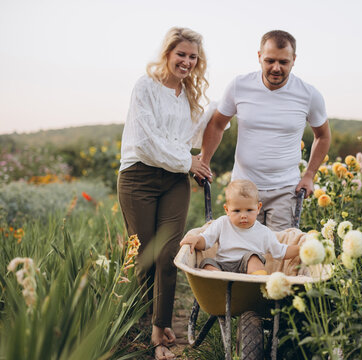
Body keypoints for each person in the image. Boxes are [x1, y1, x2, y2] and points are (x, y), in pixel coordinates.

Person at [117, 27, 213, 360]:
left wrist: (199, 161)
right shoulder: (145, 87)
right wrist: (189, 162)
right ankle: (134, 323)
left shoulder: (192, 97)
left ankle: (160, 331)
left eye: (192, 57)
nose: (186, 62)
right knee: (143, 256)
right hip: (138, 177)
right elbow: (146, 144)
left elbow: (210, 128)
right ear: (168, 54)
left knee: (168, 255)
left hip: (174, 181)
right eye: (181, 54)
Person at [201, 30, 331, 231]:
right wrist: (204, 161)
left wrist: (309, 175)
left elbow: (322, 136)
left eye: (283, 62)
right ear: (259, 57)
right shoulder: (239, 86)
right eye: (270, 61)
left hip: (285, 189)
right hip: (244, 188)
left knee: (277, 252)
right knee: (242, 250)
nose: (276, 68)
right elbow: (217, 125)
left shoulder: (309, 94)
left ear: (294, 60)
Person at [180, 179, 300, 274]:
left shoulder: (263, 232)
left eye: (249, 210)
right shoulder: (222, 223)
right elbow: (206, 241)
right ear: (227, 210)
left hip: (247, 268)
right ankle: (218, 280)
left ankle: (256, 282)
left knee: (253, 257)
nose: (243, 216)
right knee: (207, 263)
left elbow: (281, 251)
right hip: (222, 266)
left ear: (258, 208)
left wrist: (301, 249)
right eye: (237, 211)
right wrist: (196, 240)